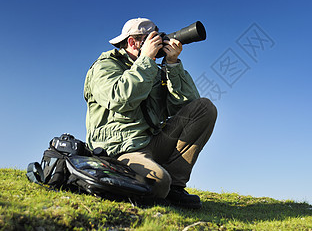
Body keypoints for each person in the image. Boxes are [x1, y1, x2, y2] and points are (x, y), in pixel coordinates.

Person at [84, 17, 217, 209]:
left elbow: (186, 106)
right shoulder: (105, 66)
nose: (156, 44)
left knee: (204, 108)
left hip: (151, 143)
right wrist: (146, 60)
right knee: (158, 183)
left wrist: (172, 64)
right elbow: (121, 99)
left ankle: (175, 188)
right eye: (150, 39)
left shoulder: (152, 70)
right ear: (132, 42)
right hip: (119, 150)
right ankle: (156, 183)